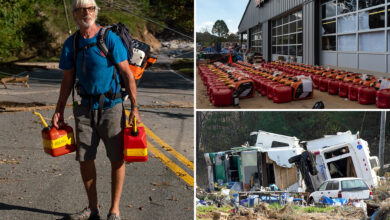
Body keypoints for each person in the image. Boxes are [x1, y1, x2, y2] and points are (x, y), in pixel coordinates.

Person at [52, 0, 140, 219]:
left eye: (90, 8)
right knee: (85, 159)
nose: (87, 12)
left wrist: (135, 108)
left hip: (112, 107)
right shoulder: (71, 43)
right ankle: (93, 210)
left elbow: (127, 74)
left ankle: (114, 211)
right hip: (83, 109)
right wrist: (59, 110)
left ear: (95, 11)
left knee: (117, 158)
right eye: (82, 9)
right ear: (74, 14)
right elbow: (67, 79)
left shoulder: (109, 38)